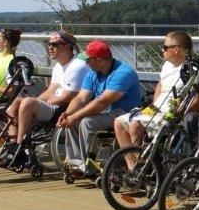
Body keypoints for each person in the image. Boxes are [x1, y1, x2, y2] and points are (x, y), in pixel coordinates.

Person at [114, 31, 199, 167]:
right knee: (118, 123)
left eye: (165, 47)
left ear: (176, 49)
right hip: (156, 110)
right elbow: (160, 87)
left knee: (135, 125)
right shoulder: (166, 66)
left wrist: (176, 113)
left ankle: (143, 167)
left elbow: (197, 100)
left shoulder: (194, 70)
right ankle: (133, 166)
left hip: (172, 115)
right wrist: (154, 106)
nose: (163, 50)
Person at [3, 30, 87, 166]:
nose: (50, 48)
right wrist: (38, 100)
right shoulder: (58, 67)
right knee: (16, 102)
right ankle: (12, 144)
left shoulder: (77, 66)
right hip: (54, 104)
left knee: (28, 103)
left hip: (65, 108)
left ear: (67, 46)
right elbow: (50, 91)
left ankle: (20, 147)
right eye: (49, 44)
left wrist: (38, 102)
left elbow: (68, 96)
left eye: (55, 44)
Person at [59, 40, 142, 176]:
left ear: (98, 60)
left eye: (88, 60)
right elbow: (81, 98)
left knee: (86, 122)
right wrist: (67, 115)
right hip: (106, 112)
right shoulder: (92, 74)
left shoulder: (123, 72)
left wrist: (76, 116)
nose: (86, 63)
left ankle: (90, 167)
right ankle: (77, 163)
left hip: (125, 112)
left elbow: (102, 102)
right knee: (72, 121)